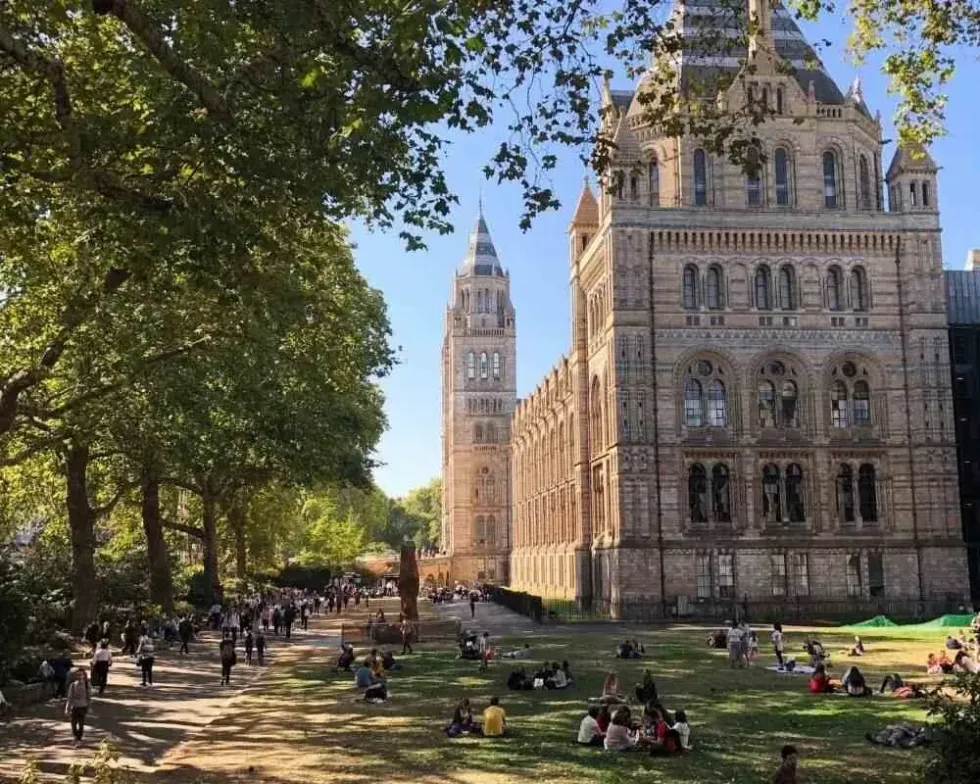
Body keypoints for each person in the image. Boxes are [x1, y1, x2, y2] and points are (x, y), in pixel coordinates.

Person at [65, 668, 91, 746]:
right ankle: (75, 737)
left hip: (83, 707)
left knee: (81, 724)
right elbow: (69, 697)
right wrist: (67, 708)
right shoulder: (72, 685)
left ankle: (79, 739)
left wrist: (89, 707)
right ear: (76, 676)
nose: (80, 676)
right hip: (74, 707)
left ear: (84, 676)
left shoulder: (87, 685)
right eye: (78, 675)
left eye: (81, 675)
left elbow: (89, 697)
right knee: (73, 724)